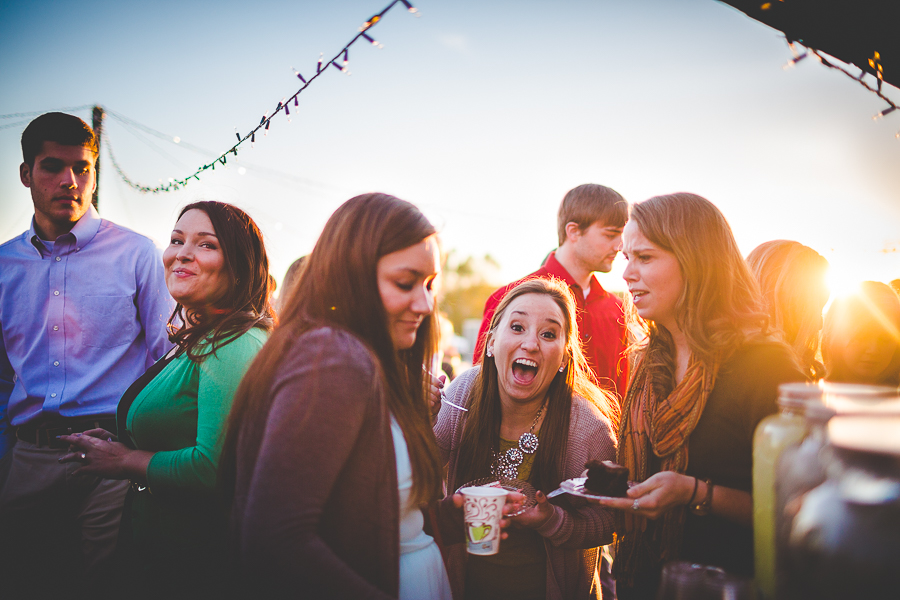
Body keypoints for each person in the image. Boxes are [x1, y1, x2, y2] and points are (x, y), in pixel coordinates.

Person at [221, 193, 452, 599]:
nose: (425, 303)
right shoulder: (332, 358)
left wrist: (450, 518)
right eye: (406, 282)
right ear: (351, 274)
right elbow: (276, 538)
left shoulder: (370, 360)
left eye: (430, 284)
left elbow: (365, 513)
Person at [590, 193, 805, 599]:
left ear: (696, 261)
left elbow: (798, 511)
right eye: (626, 259)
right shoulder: (649, 362)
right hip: (644, 583)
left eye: (646, 258)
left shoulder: (765, 366)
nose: (627, 274)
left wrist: (695, 493)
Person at [59, 201, 273, 595]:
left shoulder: (234, 343)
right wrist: (129, 443)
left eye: (206, 245)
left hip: (194, 560)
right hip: (158, 544)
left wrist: (126, 461)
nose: (182, 253)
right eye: (177, 240)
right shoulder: (201, 337)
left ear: (240, 265)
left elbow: (215, 468)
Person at [0, 112, 172, 592]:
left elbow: (167, 364)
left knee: (105, 584)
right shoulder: (2, 267)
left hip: (112, 457)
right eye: (52, 166)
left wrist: (137, 449)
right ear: (25, 174)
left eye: (82, 168)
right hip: (28, 457)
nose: (70, 181)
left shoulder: (138, 254)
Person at [435, 277, 620, 600]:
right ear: (491, 343)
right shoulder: (463, 394)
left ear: (564, 357)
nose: (531, 344)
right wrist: (417, 416)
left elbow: (614, 521)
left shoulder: (587, 428)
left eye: (548, 334)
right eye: (517, 327)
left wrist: (552, 520)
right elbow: (415, 471)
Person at [474, 184, 630, 400]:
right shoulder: (509, 299)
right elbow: (481, 385)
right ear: (573, 232)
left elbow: (621, 394)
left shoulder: (618, 310)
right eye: (611, 234)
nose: (619, 246)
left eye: (623, 235)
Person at [746, 240, 830, 380]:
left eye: (820, 309)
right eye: (808, 310)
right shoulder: (781, 374)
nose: (819, 324)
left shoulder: (711, 360)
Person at [821, 280, 900, 386]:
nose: (873, 350)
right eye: (862, 336)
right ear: (837, 335)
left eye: (885, 339)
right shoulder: (807, 396)